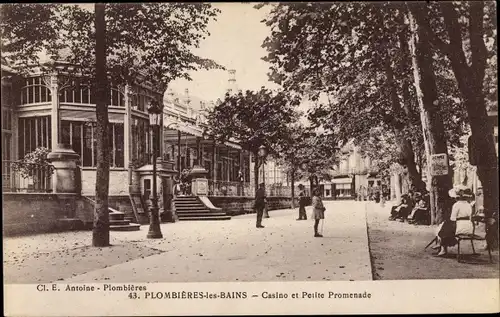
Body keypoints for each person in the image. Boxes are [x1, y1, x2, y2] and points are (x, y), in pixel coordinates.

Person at [434, 186, 474, 256]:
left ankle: (443, 248)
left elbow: (453, 219)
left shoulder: (456, 205)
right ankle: (441, 245)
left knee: (444, 226)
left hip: (460, 227)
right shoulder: (469, 205)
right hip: (469, 227)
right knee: (446, 226)